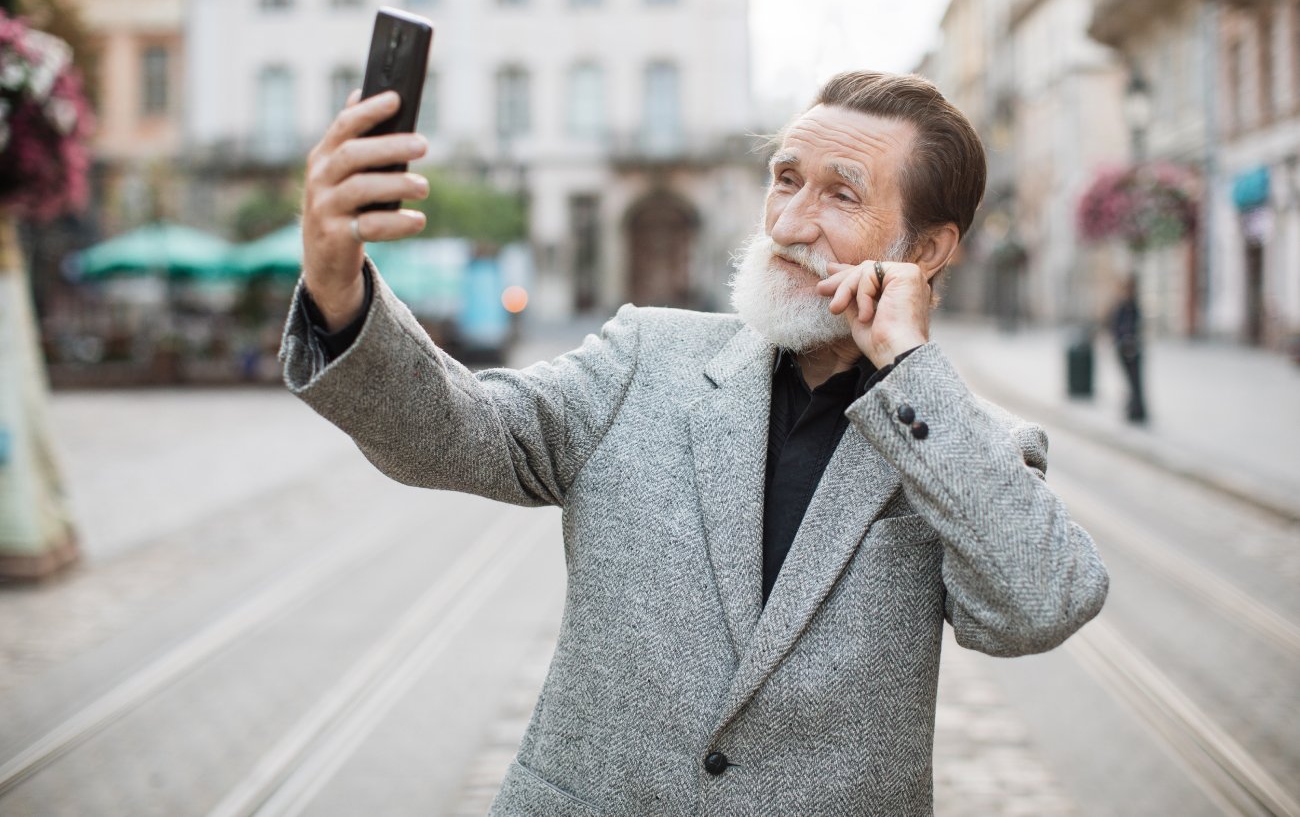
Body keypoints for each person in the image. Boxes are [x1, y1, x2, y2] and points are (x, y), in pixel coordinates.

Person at [281, 70, 1109, 816]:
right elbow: (453, 431)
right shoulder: (646, 355)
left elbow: (1039, 605)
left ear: (925, 250)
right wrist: (336, 283)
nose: (789, 222)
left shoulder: (964, 443)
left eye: (841, 196)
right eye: (785, 180)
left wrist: (912, 370)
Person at [1110, 274, 1147, 424]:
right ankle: (1134, 408)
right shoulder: (1124, 307)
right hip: (1123, 348)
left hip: (1133, 349)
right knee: (1131, 381)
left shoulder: (1132, 307)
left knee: (1135, 381)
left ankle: (1137, 410)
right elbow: (1117, 327)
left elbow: (1135, 327)